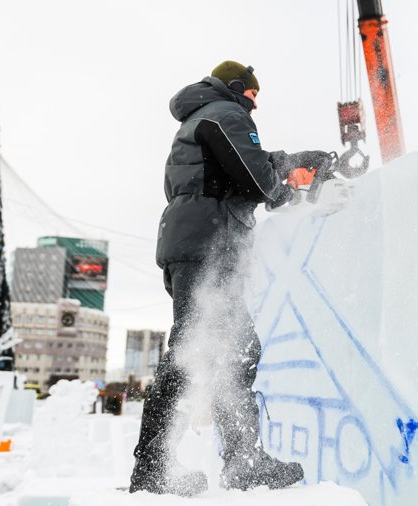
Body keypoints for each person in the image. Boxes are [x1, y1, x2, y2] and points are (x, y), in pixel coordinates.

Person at [129, 60, 331, 496]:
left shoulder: (201, 119)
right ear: (237, 87)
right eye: (253, 96)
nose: (254, 108)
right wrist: (289, 164)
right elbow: (257, 179)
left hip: (195, 241)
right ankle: (175, 464)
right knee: (208, 349)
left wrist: (285, 176)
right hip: (209, 245)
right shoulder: (225, 113)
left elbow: (243, 182)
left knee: (219, 350)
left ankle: (213, 460)